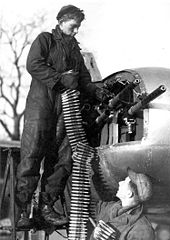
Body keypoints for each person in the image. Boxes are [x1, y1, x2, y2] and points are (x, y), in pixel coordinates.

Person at [16, 5, 109, 228]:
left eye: (78, 27)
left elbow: (84, 79)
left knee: (63, 159)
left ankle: (46, 208)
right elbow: (33, 64)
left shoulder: (75, 51)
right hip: (41, 107)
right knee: (32, 155)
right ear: (61, 21)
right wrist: (59, 79)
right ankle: (22, 210)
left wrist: (95, 90)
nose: (76, 31)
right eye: (73, 26)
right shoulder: (45, 40)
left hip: (66, 111)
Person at [86, 167, 155, 240]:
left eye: (125, 181)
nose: (120, 182)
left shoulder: (142, 228)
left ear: (129, 194)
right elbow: (97, 200)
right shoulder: (112, 209)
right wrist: (90, 173)